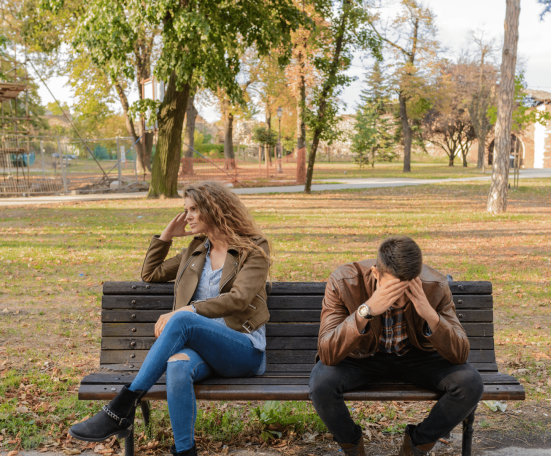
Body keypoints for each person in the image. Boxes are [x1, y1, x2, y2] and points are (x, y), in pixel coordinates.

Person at [69, 181, 271, 456]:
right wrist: (165, 237)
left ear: (214, 209)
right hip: (204, 350)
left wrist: (188, 309)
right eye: (185, 209)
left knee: (182, 319)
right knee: (177, 366)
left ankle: (120, 408)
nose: (187, 216)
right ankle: (184, 451)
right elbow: (150, 274)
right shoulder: (196, 251)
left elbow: (239, 299)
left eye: (193, 209)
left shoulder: (253, 248)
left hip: (244, 350)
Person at [309, 236, 483, 456]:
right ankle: (353, 447)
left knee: (470, 383)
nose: (398, 298)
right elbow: (327, 353)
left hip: (416, 356)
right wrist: (366, 310)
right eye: (392, 288)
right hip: (361, 357)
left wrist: (430, 314)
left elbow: (460, 354)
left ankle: (414, 447)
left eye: (406, 289)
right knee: (321, 384)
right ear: (375, 274)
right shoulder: (344, 281)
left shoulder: (435, 285)